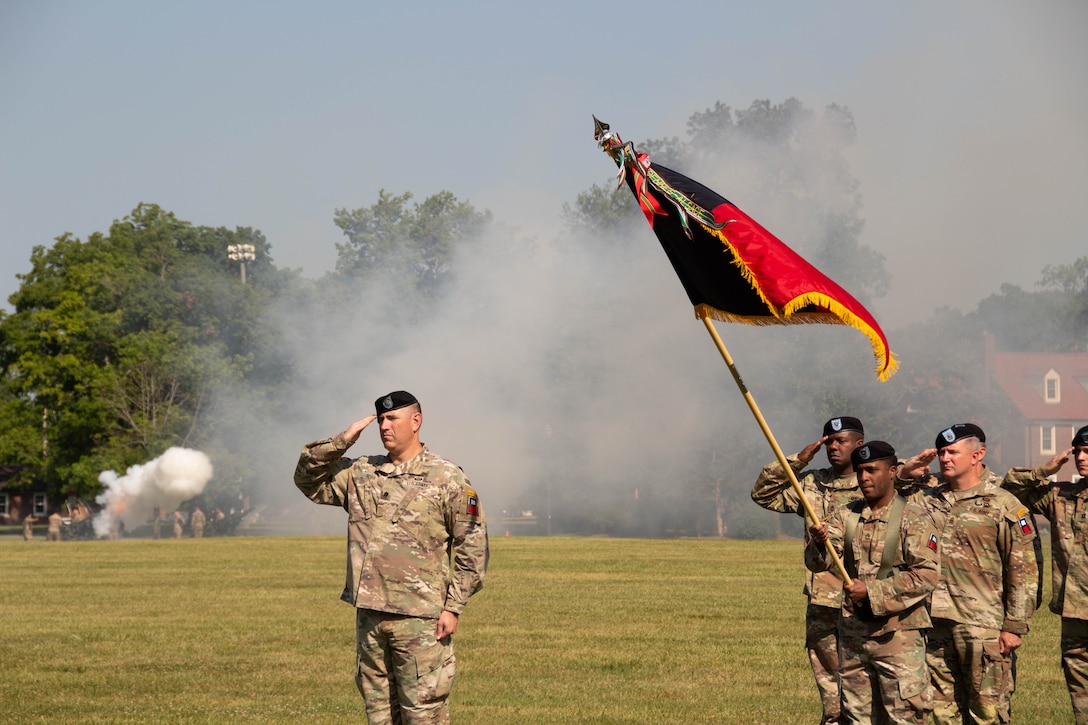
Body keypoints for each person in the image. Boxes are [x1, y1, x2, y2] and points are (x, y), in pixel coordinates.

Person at [294, 390, 488, 724]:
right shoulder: (362, 473)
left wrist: (453, 606)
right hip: (370, 617)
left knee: (423, 715)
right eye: (381, 419)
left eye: (392, 418)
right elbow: (307, 478)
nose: (384, 425)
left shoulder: (446, 476)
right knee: (379, 716)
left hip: (421, 620)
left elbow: (473, 545)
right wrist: (342, 440)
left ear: (416, 421)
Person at [896, 423, 1038, 725]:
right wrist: (906, 472)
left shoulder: (1004, 505)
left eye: (952, 452)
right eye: (942, 453)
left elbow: (1023, 570)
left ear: (978, 455)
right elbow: (882, 497)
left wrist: (1014, 625)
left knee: (987, 713)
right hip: (934, 624)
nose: (944, 458)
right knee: (941, 713)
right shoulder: (927, 499)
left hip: (982, 627)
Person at [806, 441, 941, 724]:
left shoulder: (913, 517)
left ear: (892, 472)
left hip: (899, 638)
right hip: (854, 637)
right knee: (856, 718)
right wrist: (819, 544)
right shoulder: (846, 515)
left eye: (872, 470)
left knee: (905, 717)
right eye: (860, 471)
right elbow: (819, 563)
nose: (864, 477)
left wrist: (872, 591)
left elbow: (926, 574)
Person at [752, 416, 865, 724]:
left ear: (859, 444)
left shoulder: (873, 483)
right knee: (829, 684)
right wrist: (799, 460)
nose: (833, 447)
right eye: (828, 441)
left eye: (841, 441)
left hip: (862, 598)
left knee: (862, 682)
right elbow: (763, 495)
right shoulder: (812, 484)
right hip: (822, 599)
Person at [1002, 424, 1088, 724]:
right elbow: (1010, 491)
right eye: (1078, 451)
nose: (1081, 458)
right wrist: (1044, 470)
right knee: (1080, 694)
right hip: (1075, 615)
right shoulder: (1062, 498)